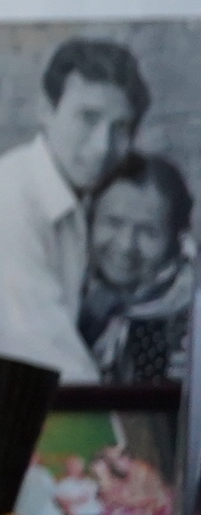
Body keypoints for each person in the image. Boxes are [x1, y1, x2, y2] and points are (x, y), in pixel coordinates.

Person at [0, 36, 149, 379]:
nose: (103, 146)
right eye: (88, 118)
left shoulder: (81, 193)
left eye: (121, 127)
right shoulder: (4, 201)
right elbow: (54, 366)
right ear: (45, 111)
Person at [82, 153, 195, 387]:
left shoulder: (189, 318)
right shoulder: (66, 289)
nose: (126, 245)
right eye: (113, 222)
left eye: (148, 232)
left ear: (175, 241)